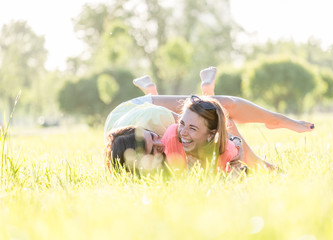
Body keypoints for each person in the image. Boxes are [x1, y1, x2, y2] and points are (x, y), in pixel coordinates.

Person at [104, 67, 314, 172]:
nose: (161, 142)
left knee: (221, 106)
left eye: (154, 138)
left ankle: (274, 119)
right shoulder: (124, 164)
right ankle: (155, 88)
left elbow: (211, 120)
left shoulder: (157, 118)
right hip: (128, 123)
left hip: (135, 108)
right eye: (154, 149)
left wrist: (255, 163)